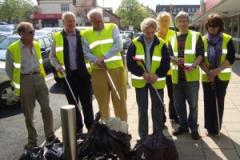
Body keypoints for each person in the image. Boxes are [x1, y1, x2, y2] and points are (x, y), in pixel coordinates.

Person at [5, 22, 58, 149]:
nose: (34, 34)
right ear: (21, 33)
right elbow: (9, 70)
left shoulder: (36, 44)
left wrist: (40, 77)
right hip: (25, 81)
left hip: (39, 79)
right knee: (29, 114)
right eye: (31, 32)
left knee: (46, 108)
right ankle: (32, 141)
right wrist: (19, 82)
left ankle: (50, 136)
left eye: (34, 31)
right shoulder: (12, 49)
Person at [50, 12, 94, 134]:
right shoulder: (57, 37)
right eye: (68, 21)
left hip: (84, 76)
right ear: (63, 22)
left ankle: (91, 127)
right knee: (73, 104)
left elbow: (91, 53)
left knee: (87, 103)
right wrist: (57, 66)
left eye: (73, 21)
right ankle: (78, 128)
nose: (71, 23)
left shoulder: (83, 35)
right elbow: (52, 57)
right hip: (67, 77)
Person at [127, 18, 170, 141]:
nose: (150, 35)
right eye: (147, 32)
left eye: (152, 32)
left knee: (157, 108)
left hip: (157, 81)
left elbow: (166, 63)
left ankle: (158, 134)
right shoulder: (135, 43)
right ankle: (143, 136)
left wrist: (157, 75)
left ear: (155, 31)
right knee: (142, 108)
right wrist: (142, 74)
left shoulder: (161, 43)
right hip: (141, 81)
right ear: (143, 31)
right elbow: (130, 63)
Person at [82, 8, 127, 121]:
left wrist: (104, 57)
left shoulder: (112, 27)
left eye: (100, 20)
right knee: (102, 102)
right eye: (96, 21)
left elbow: (119, 45)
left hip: (115, 68)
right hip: (98, 71)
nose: (99, 23)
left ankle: (121, 130)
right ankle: (106, 130)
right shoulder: (86, 34)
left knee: (119, 100)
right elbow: (85, 52)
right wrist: (97, 60)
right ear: (90, 21)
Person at [170, 11, 204, 140]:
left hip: (191, 77)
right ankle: (183, 125)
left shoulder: (196, 36)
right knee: (179, 104)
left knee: (193, 104)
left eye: (185, 21)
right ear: (177, 23)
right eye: (180, 21)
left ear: (188, 22)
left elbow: (201, 54)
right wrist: (175, 59)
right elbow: (169, 54)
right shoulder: (172, 38)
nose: (183, 23)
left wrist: (194, 65)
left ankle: (193, 127)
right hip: (176, 77)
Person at [200, 13, 235, 136]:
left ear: (220, 26)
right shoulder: (203, 40)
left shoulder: (227, 39)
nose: (211, 28)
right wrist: (208, 72)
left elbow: (231, 58)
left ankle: (217, 127)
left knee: (219, 101)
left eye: (214, 25)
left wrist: (217, 70)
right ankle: (209, 127)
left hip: (222, 76)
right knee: (208, 102)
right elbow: (199, 59)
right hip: (207, 76)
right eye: (209, 25)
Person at [156, 11, 179, 125]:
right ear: (158, 22)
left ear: (169, 22)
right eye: (162, 21)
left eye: (166, 21)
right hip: (158, 71)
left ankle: (174, 116)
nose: (164, 23)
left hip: (171, 71)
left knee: (173, 95)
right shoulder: (154, 35)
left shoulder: (174, 34)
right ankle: (161, 118)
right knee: (159, 96)